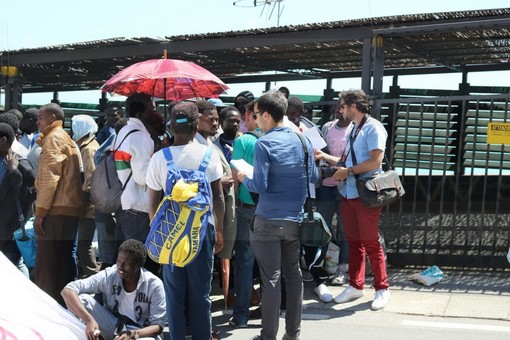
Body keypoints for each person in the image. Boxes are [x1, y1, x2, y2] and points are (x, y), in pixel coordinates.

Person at [238, 91, 318, 340]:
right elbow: (314, 177)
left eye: (255, 114)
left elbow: (259, 185)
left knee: (270, 279)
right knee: (293, 276)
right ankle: (292, 335)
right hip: (295, 220)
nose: (253, 119)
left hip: (267, 221)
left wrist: (244, 178)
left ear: (266, 115)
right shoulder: (303, 140)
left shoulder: (264, 142)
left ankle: (268, 336)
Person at [146, 102, 225, 340]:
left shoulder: (160, 158)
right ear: (195, 129)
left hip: (170, 233)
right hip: (202, 232)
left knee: (174, 293)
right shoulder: (209, 156)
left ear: (171, 128)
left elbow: (152, 202)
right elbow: (218, 198)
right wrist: (219, 230)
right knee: (201, 294)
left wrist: (156, 231)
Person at [330, 89, 391, 311]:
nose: (340, 109)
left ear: (354, 106)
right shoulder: (354, 128)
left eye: (343, 105)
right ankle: (356, 285)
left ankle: (382, 288)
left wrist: (348, 171)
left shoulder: (373, 127)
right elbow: (346, 161)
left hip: (365, 193)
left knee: (371, 242)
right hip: (349, 192)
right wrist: (325, 157)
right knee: (354, 242)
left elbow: (376, 162)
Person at [61, 239, 166, 340]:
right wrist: (89, 320)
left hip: (140, 333)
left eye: (127, 263)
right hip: (114, 325)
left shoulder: (154, 285)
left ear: (138, 265)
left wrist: (133, 334)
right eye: (119, 261)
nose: (121, 266)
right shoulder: (110, 274)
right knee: (83, 300)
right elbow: (68, 290)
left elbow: (158, 326)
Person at [34, 103, 83, 306]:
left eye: (41, 117)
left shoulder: (53, 138)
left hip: (55, 210)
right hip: (69, 209)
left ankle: (46, 312)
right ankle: (66, 311)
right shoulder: (66, 138)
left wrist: (40, 213)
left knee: (47, 268)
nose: (38, 121)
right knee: (63, 266)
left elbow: (49, 178)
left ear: (52, 118)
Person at [112, 93, 157, 273]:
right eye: (151, 109)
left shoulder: (125, 131)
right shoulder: (140, 136)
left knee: (127, 262)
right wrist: (159, 162)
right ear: (140, 113)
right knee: (138, 265)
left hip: (126, 205)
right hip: (139, 208)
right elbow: (142, 177)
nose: (154, 113)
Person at [229, 100, 261, 328]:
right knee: (271, 265)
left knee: (244, 263)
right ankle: (270, 312)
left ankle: (240, 316)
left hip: (247, 208)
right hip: (271, 209)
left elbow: (234, 179)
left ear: (250, 117)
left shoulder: (242, 141)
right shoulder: (273, 140)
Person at [315, 101, 353, 288]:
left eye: (343, 107)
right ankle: (320, 267)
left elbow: (348, 161)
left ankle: (342, 269)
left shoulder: (355, 130)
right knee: (323, 228)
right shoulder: (327, 127)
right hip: (326, 186)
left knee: (345, 230)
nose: (339, 110)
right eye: (337, 107)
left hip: (346, 187)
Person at [0, 122, 36, 277]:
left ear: (3, 140)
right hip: (2, 228)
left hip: (11, 229)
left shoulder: (22, 164)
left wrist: (14, 172)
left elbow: (30, 196)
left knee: (13, 266)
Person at [72, 115, 101, 278]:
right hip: (88, 203)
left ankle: (93, 276)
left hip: (87, 204)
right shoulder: (85, 145)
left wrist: (81, 201)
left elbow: (90, 179)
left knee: (84, 244)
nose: (72, 131)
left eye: (75, 127)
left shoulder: (88, 149)